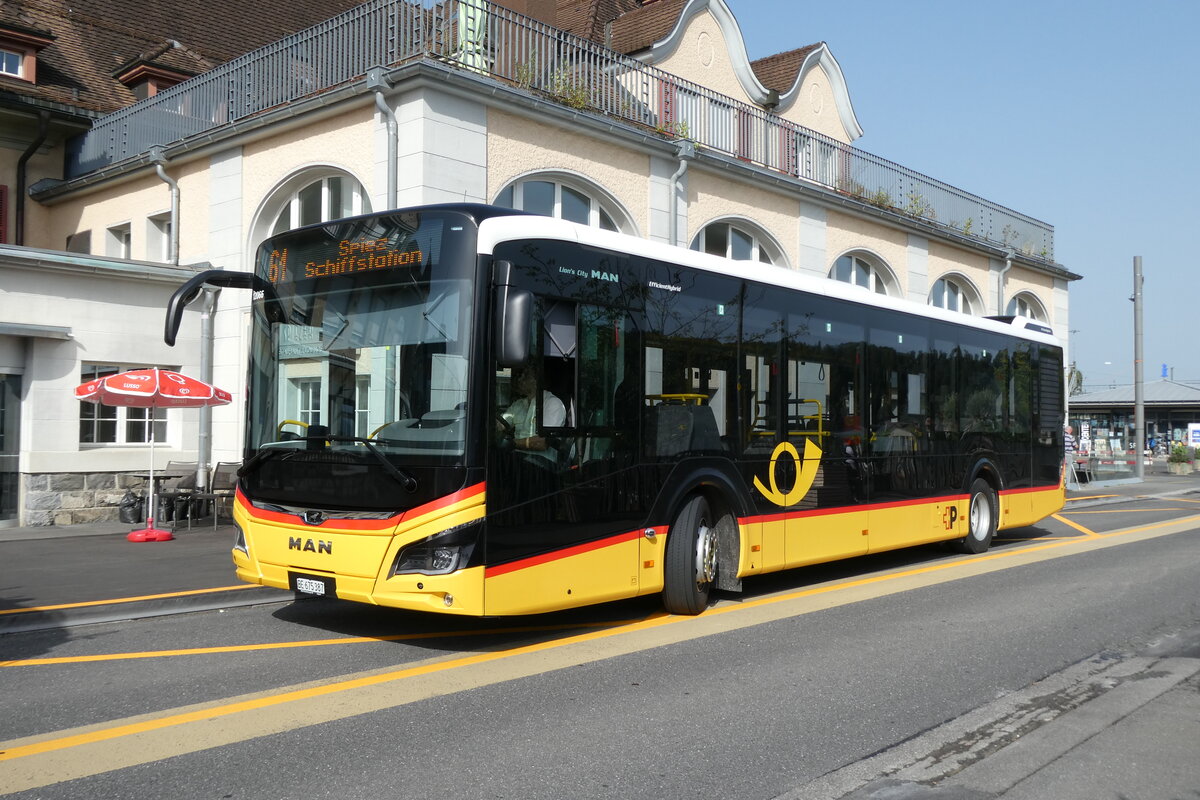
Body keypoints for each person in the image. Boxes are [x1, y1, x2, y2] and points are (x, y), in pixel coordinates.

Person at [501, 366, 566, 457]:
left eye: (526, 375)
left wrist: (512, 443)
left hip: (540, 463)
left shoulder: (553, 403)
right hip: (517, 457)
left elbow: (543, 442)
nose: (520, 379)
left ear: (537, 380)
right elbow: (501, 424)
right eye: (520, 375)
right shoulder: (518, 404)